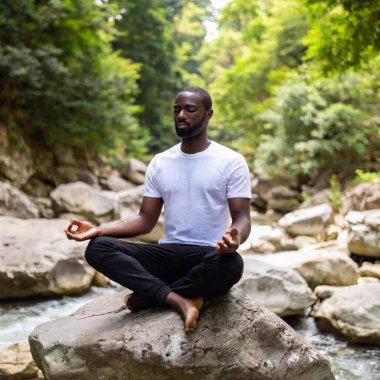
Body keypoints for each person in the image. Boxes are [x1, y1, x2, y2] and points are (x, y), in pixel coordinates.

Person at [65, 86, 251, 332]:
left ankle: (154, 294)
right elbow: (145, 220)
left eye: (190, 110)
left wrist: (234, 238)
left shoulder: (231, 161)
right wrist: (98, 230)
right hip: (167, 255)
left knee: (232, 264)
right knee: (98, 247)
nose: (181, 115)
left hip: (208, 255)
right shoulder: (161, 162)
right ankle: (177, 298)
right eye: (177, 110)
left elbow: (242, 217)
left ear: (208, 115)